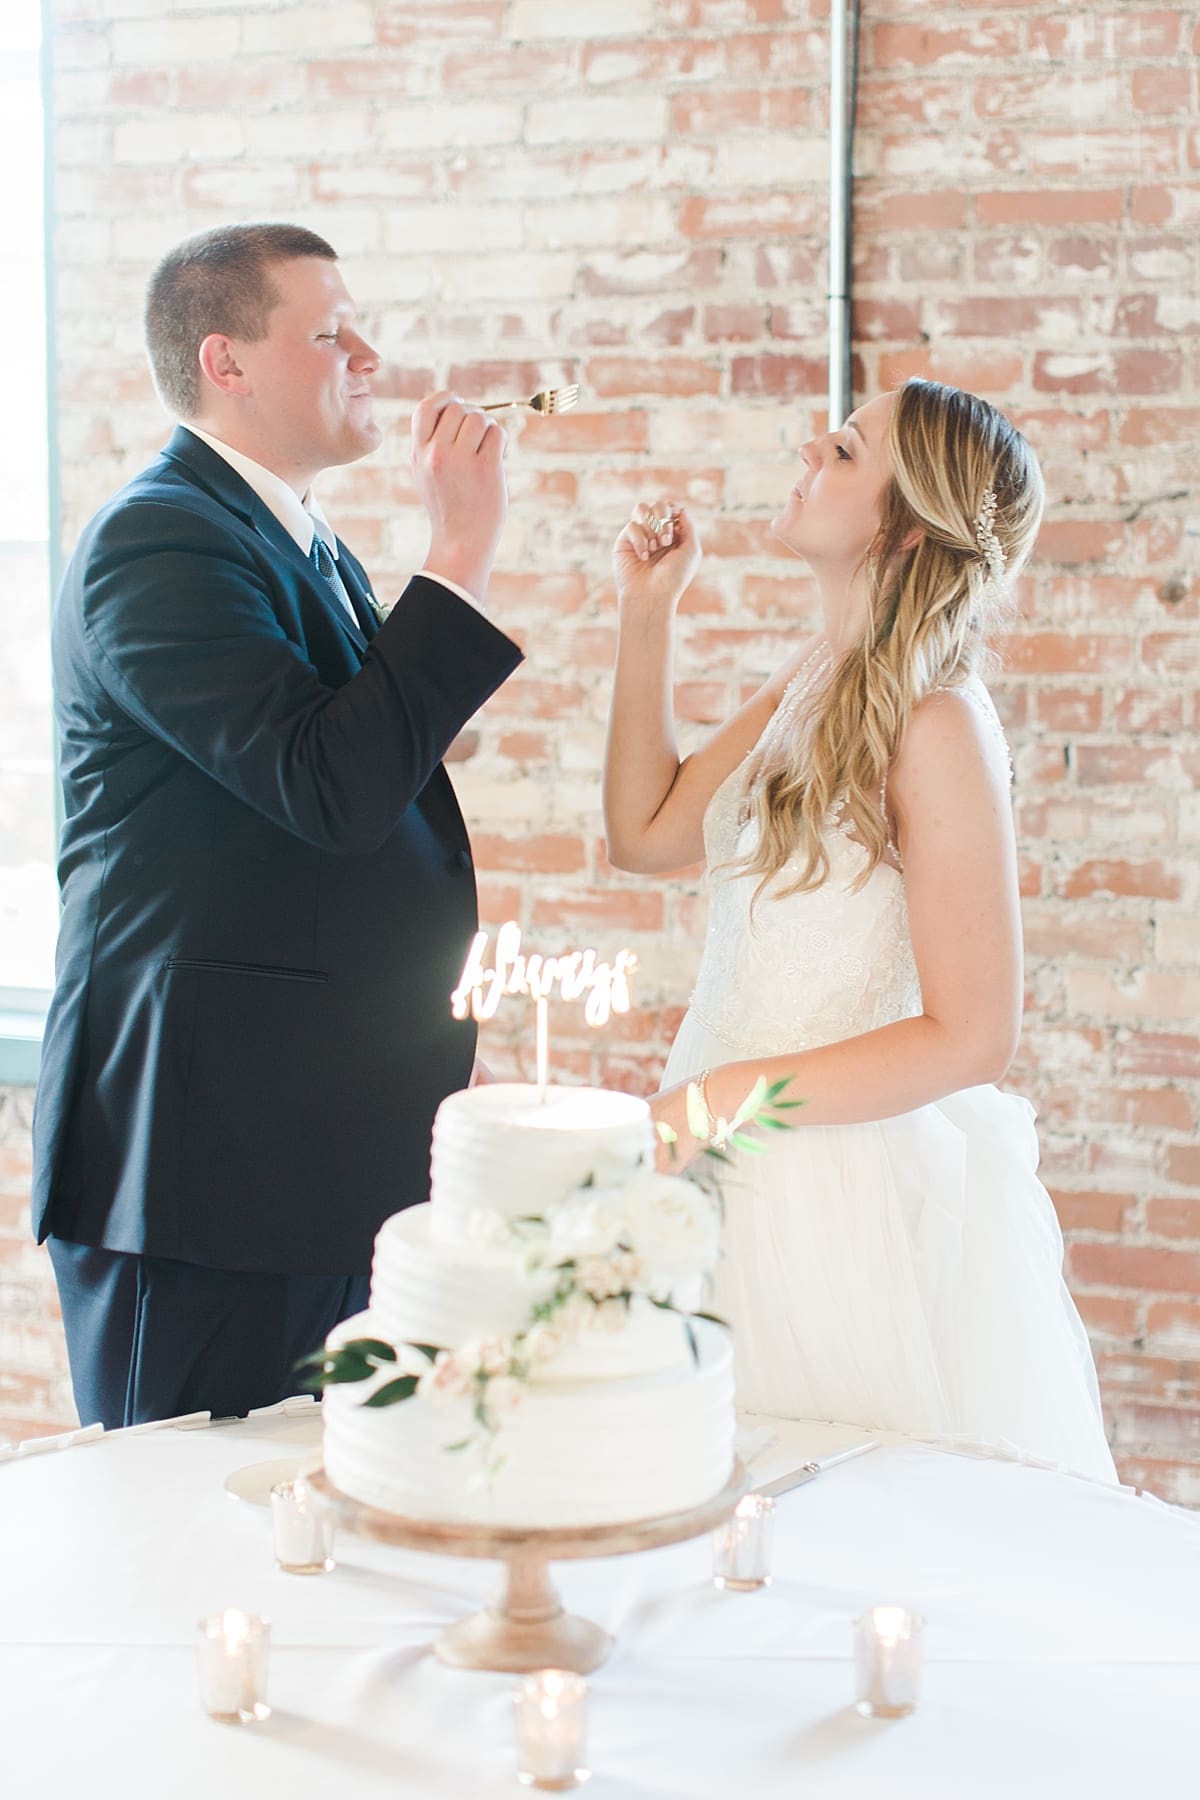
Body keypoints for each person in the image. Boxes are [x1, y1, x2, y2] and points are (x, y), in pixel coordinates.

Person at [32, 222, 523, 1429]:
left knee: (314, 1542)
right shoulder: (156, 540)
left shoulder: (290, 535)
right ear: (228, 362)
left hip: (307, 1148)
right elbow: (334, 786)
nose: (367, 352)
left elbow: (358, 751)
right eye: (327, 330)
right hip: (203, 1163)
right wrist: (458, 551)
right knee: (184, 1539)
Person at [604, 377, 1117, 1483]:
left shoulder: (938, 723)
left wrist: (720, 1103)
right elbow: (645, 832)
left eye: (841, 449)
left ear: (900, 522)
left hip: (822, 1188)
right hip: (708, 1152)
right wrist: (649, 615)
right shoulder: (815, 676)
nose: (808, 447)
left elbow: (973, 1035)